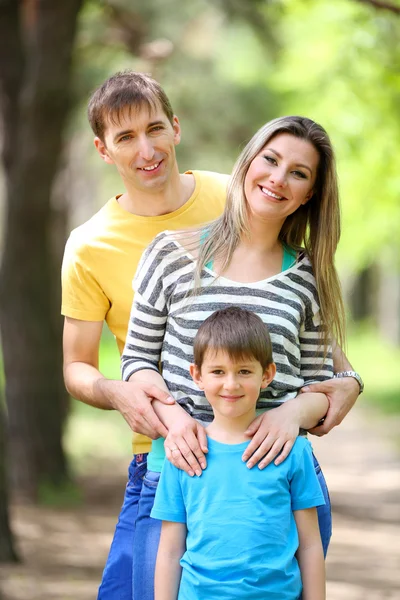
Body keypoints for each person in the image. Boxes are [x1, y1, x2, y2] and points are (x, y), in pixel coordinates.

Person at [61, 69, 360, 600]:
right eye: (269, 162)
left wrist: (305, 405)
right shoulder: (162, 251)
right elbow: (134, 362)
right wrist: (171, 416)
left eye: (298, 174)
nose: (276, 179)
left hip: (273, 479)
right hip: (178, 466)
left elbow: (322, 376)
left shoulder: (301, 269)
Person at [61, 70, 229, 600]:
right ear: (103, 150)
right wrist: (116, 391)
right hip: (158, 458)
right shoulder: (89, 246)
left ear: (176, 128)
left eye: (155, 128)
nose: (146, 149)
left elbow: (297, 295)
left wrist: (341, 376)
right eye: (126, 137)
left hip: (252, 449)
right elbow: (76, 367)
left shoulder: (232, 199)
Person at [152, 306, 327, 600]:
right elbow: (170, 552)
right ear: (197, 375)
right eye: (218, 371)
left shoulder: (293, 451)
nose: (231, 384)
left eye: (244, 371)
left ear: (267, 374)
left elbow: (310, 545)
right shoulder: (183, 454)